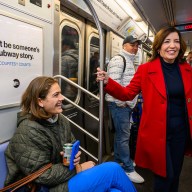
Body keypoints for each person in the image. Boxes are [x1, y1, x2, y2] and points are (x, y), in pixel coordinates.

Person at [96, 26, 192, 192]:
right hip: (157, 133)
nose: (172, 45)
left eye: (176, 41)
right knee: (164, 177)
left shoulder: (187, 70)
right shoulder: (145, 70)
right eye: (167, 41)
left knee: (175, 174)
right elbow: (127, 93)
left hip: (181, 131)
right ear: (159, 46)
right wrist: (107, 82)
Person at [4, 76, 137, 192]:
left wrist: (75, 156)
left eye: (60, 93)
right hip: (42, 188)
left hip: (60, 179)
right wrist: (78, 168)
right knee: (112, 169)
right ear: (40, 101)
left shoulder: (60, 120)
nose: (62, 98)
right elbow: (42, 176)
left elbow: (71, 144)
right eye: (56, 95)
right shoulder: (28, 130)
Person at [105, 35, 144, 184]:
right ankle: (128, 168)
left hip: (125, 104)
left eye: (136, 46)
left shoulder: (128, 60)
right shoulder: (118, 60)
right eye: (132, 45)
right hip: (120, 105)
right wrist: (123, 103)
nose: (135, 48)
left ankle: (119, 162)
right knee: (124, 137)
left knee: (120, 135)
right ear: (124, 45)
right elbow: (113, 84)